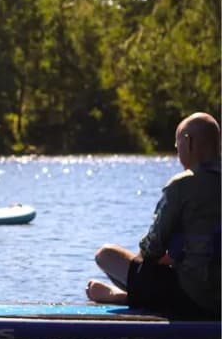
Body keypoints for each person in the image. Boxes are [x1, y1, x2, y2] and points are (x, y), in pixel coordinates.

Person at [86, 112, 220, 319]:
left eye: (177, 147)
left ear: (188, 141)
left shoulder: (182, 184)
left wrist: (141, 273)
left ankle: (123, 297)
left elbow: (152, 249)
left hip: (194, 300)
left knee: (105, 255)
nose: (178, 154)